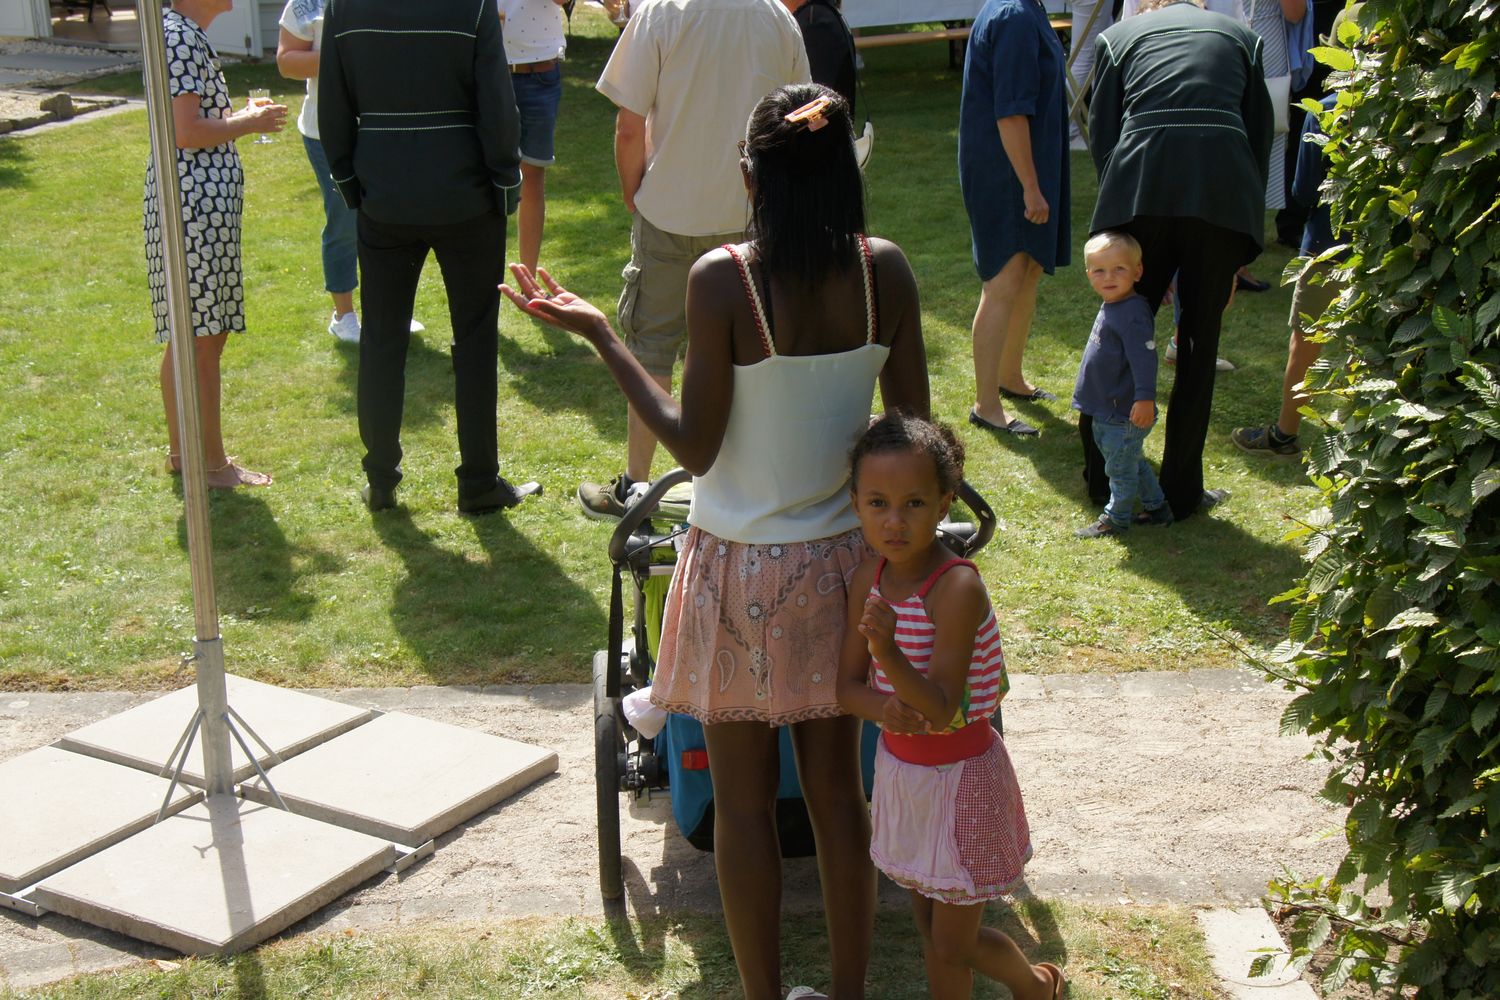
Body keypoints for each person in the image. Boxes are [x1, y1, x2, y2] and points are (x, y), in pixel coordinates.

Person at [504, 84, 928, 1000]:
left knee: (741, 805)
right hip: (845, 570)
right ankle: (848, 990)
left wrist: (604, 335)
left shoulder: (722, 278)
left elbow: (692, 447)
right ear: (846, 169)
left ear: (751, 176)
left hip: (736, 569)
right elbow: (913, 436)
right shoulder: (885, 272)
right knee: (838, 799)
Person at [836, 414, 1062, 1000]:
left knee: (954, 942)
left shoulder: (957, 587)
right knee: (931, 932)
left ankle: (1036, 985)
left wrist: (887, 651)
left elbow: (940, 709)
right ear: (855, 504)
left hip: (963, 782)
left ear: (944, 504)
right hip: (905, 779)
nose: (894, 521)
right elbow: (846, 689)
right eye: (878, 503)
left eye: (913, 503)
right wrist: (882, 708)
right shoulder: (867, 579)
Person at [577, 0, 809, 520]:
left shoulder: (660, 12)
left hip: (671, 212)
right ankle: (749, 481)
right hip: (750, 214)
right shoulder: (777, 16)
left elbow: (629, 125)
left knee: (651, 348)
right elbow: (797, 121)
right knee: (753, 348)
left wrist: (633, 191)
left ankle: (636, 485)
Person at [319, 0, 541, 515]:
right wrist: (506, 184)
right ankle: (478, 483)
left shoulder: (344, 6)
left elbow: (333, 103)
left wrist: (351, 184)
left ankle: (380, 480)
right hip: (466, 196)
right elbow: (497, 104)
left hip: (385, 194)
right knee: (475, 341)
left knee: (382, 339)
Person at [1084, 0, 1273, 520]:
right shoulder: (1242, 37)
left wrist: (1120, 228)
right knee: (1197, 346)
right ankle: (1183, 491)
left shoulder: (1118, 37)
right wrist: (1239, 237)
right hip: (1221, 195)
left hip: (1141, 188)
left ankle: (1102, 482)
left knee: (1115, 334)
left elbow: (1104, 137)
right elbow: (1258, 140)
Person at [146, 0, 286, 489]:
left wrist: (239, 117)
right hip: (193, 210)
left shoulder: (180, 32)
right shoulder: (179, 37)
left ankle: (187, 454)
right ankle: (209, 463)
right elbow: (186, 132)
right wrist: (248, 123)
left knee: (197, 334)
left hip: (197, 208)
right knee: (201, 337)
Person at [275, 0, 425, 345]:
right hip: (327, 131)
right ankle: (343, 317)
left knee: (392, 220)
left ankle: (388, 311)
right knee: (345, 221)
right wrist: (347, 52)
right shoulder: (306, 4)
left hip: (386, 128)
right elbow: (286, 62)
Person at [959, 0, 1072, 439]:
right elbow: (1010, 110)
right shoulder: (1014, 17)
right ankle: (986, 405)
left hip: (1019, 167)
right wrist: (1029, 185)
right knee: (1004, 279)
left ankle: (1010, 376)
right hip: (1005, 172)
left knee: (1028, 270)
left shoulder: (1026, 9)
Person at [1231, 92, 1344, 458]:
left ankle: (1284, 434)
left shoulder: (1326, 109)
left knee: (1306, 343)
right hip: (1387, 248)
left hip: (1327, 243)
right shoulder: (1406, 101)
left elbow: (1304, 191)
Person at [1071, 232, 1171, 537]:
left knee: (1119, 470)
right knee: (1131, 460)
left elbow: (1145, 360)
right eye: (1099, 270)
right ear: (1088, 274)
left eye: (1119, 269)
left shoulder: (1132, 314)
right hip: (1108, 410)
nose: (1108, 277)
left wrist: (1145, 398)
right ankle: (1157, 507)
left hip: (1124, 413)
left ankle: (1115, 519)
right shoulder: (1114, 304)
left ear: (1137, 272)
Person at [499, 0, 567, 274]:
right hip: (491, 70)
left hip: (540, 71)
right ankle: (484, 278)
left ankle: (528, 281)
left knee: (533, 175)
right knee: (485, 176)